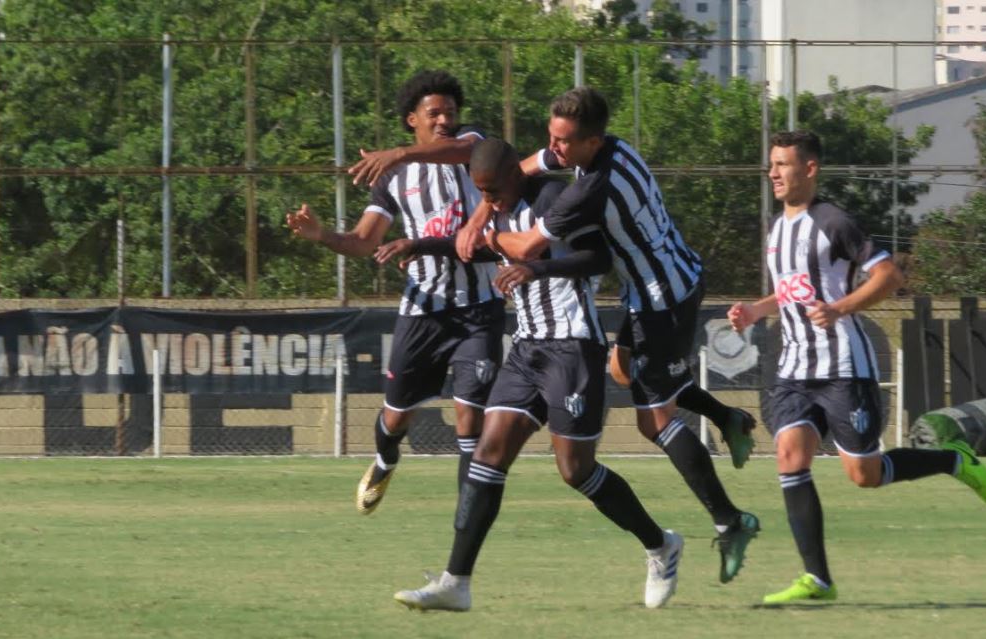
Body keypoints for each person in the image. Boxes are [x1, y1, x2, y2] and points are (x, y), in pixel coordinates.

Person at [455, 87, 759, 584]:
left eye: (563, 142)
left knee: (655, 420)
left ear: (591, 142)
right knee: (624, 369)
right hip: (662, 284)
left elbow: (529, 244)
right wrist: (482, 209)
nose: (553, 150)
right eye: (551, 136)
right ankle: (728, 417)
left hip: (663, 297)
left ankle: (730, 521)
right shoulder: (611, 145)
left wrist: (483, 237)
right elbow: (527, 165)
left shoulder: (591, 187)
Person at [384, 138, 684, 612]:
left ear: (514, 176)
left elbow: (598, 259)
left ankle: (659, 544)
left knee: (575, 471)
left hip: (573, 346)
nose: (490, 200)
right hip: (527, 347)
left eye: (495, 190)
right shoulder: (494, 207)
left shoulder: (549, 199)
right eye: (481, 192)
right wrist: (421, 244)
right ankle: (455, 582)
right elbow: (482, 250)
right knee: (488, 453)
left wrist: (536, 268)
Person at [728, 130, 986, 604]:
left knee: (864, 474)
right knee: (790, 455)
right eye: (770, 164)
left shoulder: (834, 222)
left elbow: (889, 275)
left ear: (809, 169)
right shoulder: (776, 229)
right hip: (794, 366)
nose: (772, 173)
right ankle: (817, 579)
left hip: (842, 367)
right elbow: (793, 290)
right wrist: (755, 310)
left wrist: (841, 308)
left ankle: (954, 459)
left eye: (783, 165)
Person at [286, 70, 504, 514]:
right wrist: (322, 234)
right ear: (413, 119)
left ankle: (467, 519)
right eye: (434, 113)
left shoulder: (473, 149)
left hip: (480, 308)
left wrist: (398, 152)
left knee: (471, 419)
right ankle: (386, 459)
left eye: (451, 112)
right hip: (424, 309)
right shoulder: (395, 178)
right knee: (395, 417)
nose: (445, 120)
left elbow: (465, 147)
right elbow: (365, 242)